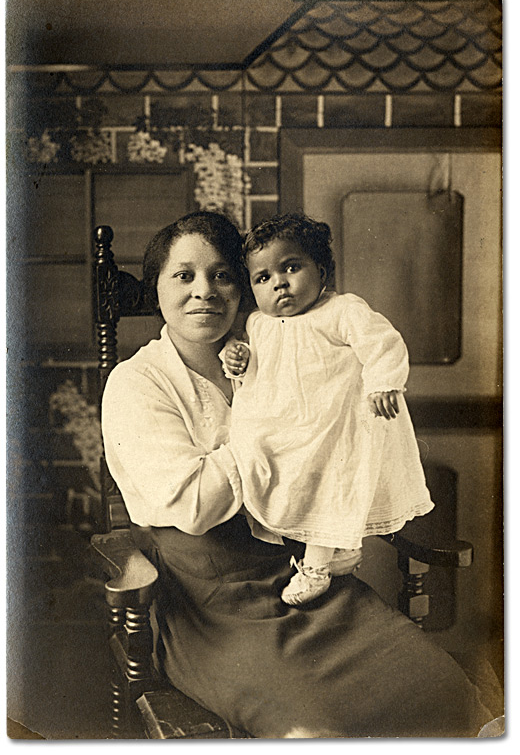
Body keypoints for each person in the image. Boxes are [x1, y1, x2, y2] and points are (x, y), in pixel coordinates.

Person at [101, 210, 493, 738]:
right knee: (315, 727)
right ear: (156, 289)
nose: (205, 292)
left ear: (244, 288)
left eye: (223, 275)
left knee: (444, 691)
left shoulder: (275, 351)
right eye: (184, 276)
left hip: (305, 579)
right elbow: (195, 503)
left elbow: (338, 441)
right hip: (211, 606)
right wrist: (289, 440)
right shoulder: (137, 383)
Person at [222, 213, 434, 606]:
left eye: (291, 267)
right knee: (277, 475)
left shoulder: (341, 311)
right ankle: (339, 552)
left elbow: (382, 343)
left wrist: (383, 382)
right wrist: (238, 357)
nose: (279, 283)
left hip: (333, 426)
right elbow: (257, 370)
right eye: (263, 278)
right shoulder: (258, 324)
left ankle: (317, 565)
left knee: (331, 483)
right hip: (288, 428)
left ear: (321, 271)